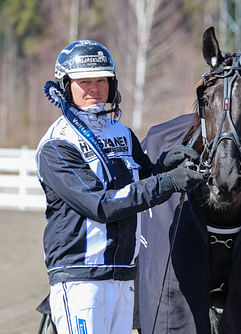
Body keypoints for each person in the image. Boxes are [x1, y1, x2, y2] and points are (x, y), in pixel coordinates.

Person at [35, 40, 204, 334]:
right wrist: (166, 183)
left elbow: (138, 181)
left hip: (124, 277)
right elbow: (101, 204)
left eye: (101, 80)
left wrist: (162, 166)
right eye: (84, 81)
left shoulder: (122, 133)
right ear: (66, 85)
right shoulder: (57, 144)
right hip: (81, 279)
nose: (94, 89)